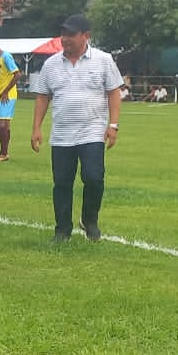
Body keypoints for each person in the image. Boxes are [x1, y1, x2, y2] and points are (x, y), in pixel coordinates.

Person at [30, 13, 123, 243]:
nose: (66, 38)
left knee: (94, 177)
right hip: (61, 134)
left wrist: (113, 125)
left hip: (92, 130)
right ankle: (62, 230)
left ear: (86, 36)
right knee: (62, 183)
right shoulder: (51, 64)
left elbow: (114, 92)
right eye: (64, 34)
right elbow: (43, 97)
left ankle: (89, 219)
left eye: (71, 34)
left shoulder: (103, 60)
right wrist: (36, 128)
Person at [0, 41, 20, 161]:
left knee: (1, 124)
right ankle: (3, 152)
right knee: (4, 125)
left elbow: (17, 74)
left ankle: (4, 153)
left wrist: (6, 91)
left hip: (7, 95)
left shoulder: (6, 56)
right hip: (1, 95)